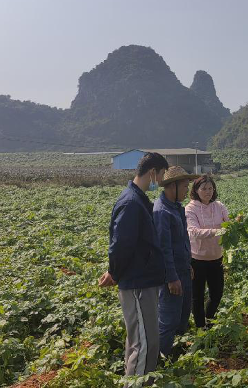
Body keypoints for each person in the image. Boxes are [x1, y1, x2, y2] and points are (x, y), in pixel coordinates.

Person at [98, 152, 169, 382]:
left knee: (140, 339)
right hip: (137, 282)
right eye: (161, 175)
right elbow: (121, 244)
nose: (161, 181)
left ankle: (138, 381)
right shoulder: (131, 202)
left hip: (143, 279)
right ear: (152, 173)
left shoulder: (137, 199)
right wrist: (115, 272)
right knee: (145, 343)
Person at [153, 166, 199, 356]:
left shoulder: (177, 208)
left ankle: (170, 351)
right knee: (168, 320)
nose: (188, 191)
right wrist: (172, 278)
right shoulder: (162, 211)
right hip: (171, 275)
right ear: (172, 186)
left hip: (182, 270)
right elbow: (164, 250)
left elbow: (182, 241)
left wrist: (187, 264)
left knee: (182, 317)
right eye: (185, 186)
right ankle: (157, 362)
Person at [185, 175, 229, 329]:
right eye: (204, 188)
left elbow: (228, 224)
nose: (208, 191)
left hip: (217, 258)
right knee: (197, 296)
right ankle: (199, 327)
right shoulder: (190, 208)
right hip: (197, 259)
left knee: (216, 294)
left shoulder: (219, 206)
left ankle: (209, 322)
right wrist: (218, 231)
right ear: (196, 190)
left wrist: (235, 225)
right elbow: (193, 232)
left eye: (210, 188)